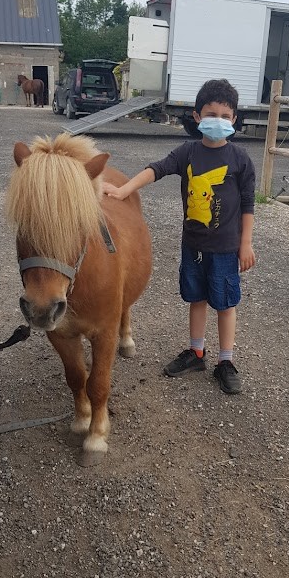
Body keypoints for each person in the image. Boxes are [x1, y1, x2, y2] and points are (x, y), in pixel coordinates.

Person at [102, 78, 256, 394]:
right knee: (196, 299)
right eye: (211, 114)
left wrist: (246, 243)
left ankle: (226, 361)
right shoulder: (188, 152)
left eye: (225, 116)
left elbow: (248, 206)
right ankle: (196, 352)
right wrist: (122, 189)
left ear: (234, 120)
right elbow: (155, 170)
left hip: (226, 249)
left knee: (226, 305)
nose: (218, 121)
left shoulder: (241, 160)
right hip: (194, 247)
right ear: (197, 116)